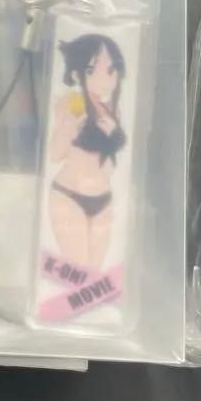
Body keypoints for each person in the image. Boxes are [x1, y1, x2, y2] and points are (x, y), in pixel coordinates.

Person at [46, 34, 126, 270]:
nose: (104, 79)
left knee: (93, 274)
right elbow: (54, 153)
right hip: (69, 195)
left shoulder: (113, 111)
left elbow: (112, 155)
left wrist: (113, 134)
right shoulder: (69, 105)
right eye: (91, 70)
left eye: (110, 70)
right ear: (75, 74)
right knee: (80, 269)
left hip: (103, 199)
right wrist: (70, 126)